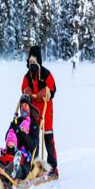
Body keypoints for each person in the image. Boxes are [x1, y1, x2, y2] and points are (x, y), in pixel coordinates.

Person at [21, 46, 58, 178]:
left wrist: (47, 91)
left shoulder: (46, 73)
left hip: (46, 108)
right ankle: (32, 165)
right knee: (33, 137)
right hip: (33, 108)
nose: (31, 64)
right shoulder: (27, 76)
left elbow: (53, 87)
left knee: (48, 137)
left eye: (33, 62)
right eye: (30, 62)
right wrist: (27, 91)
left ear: (38, 62)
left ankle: (53, 167)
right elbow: (23, 87)